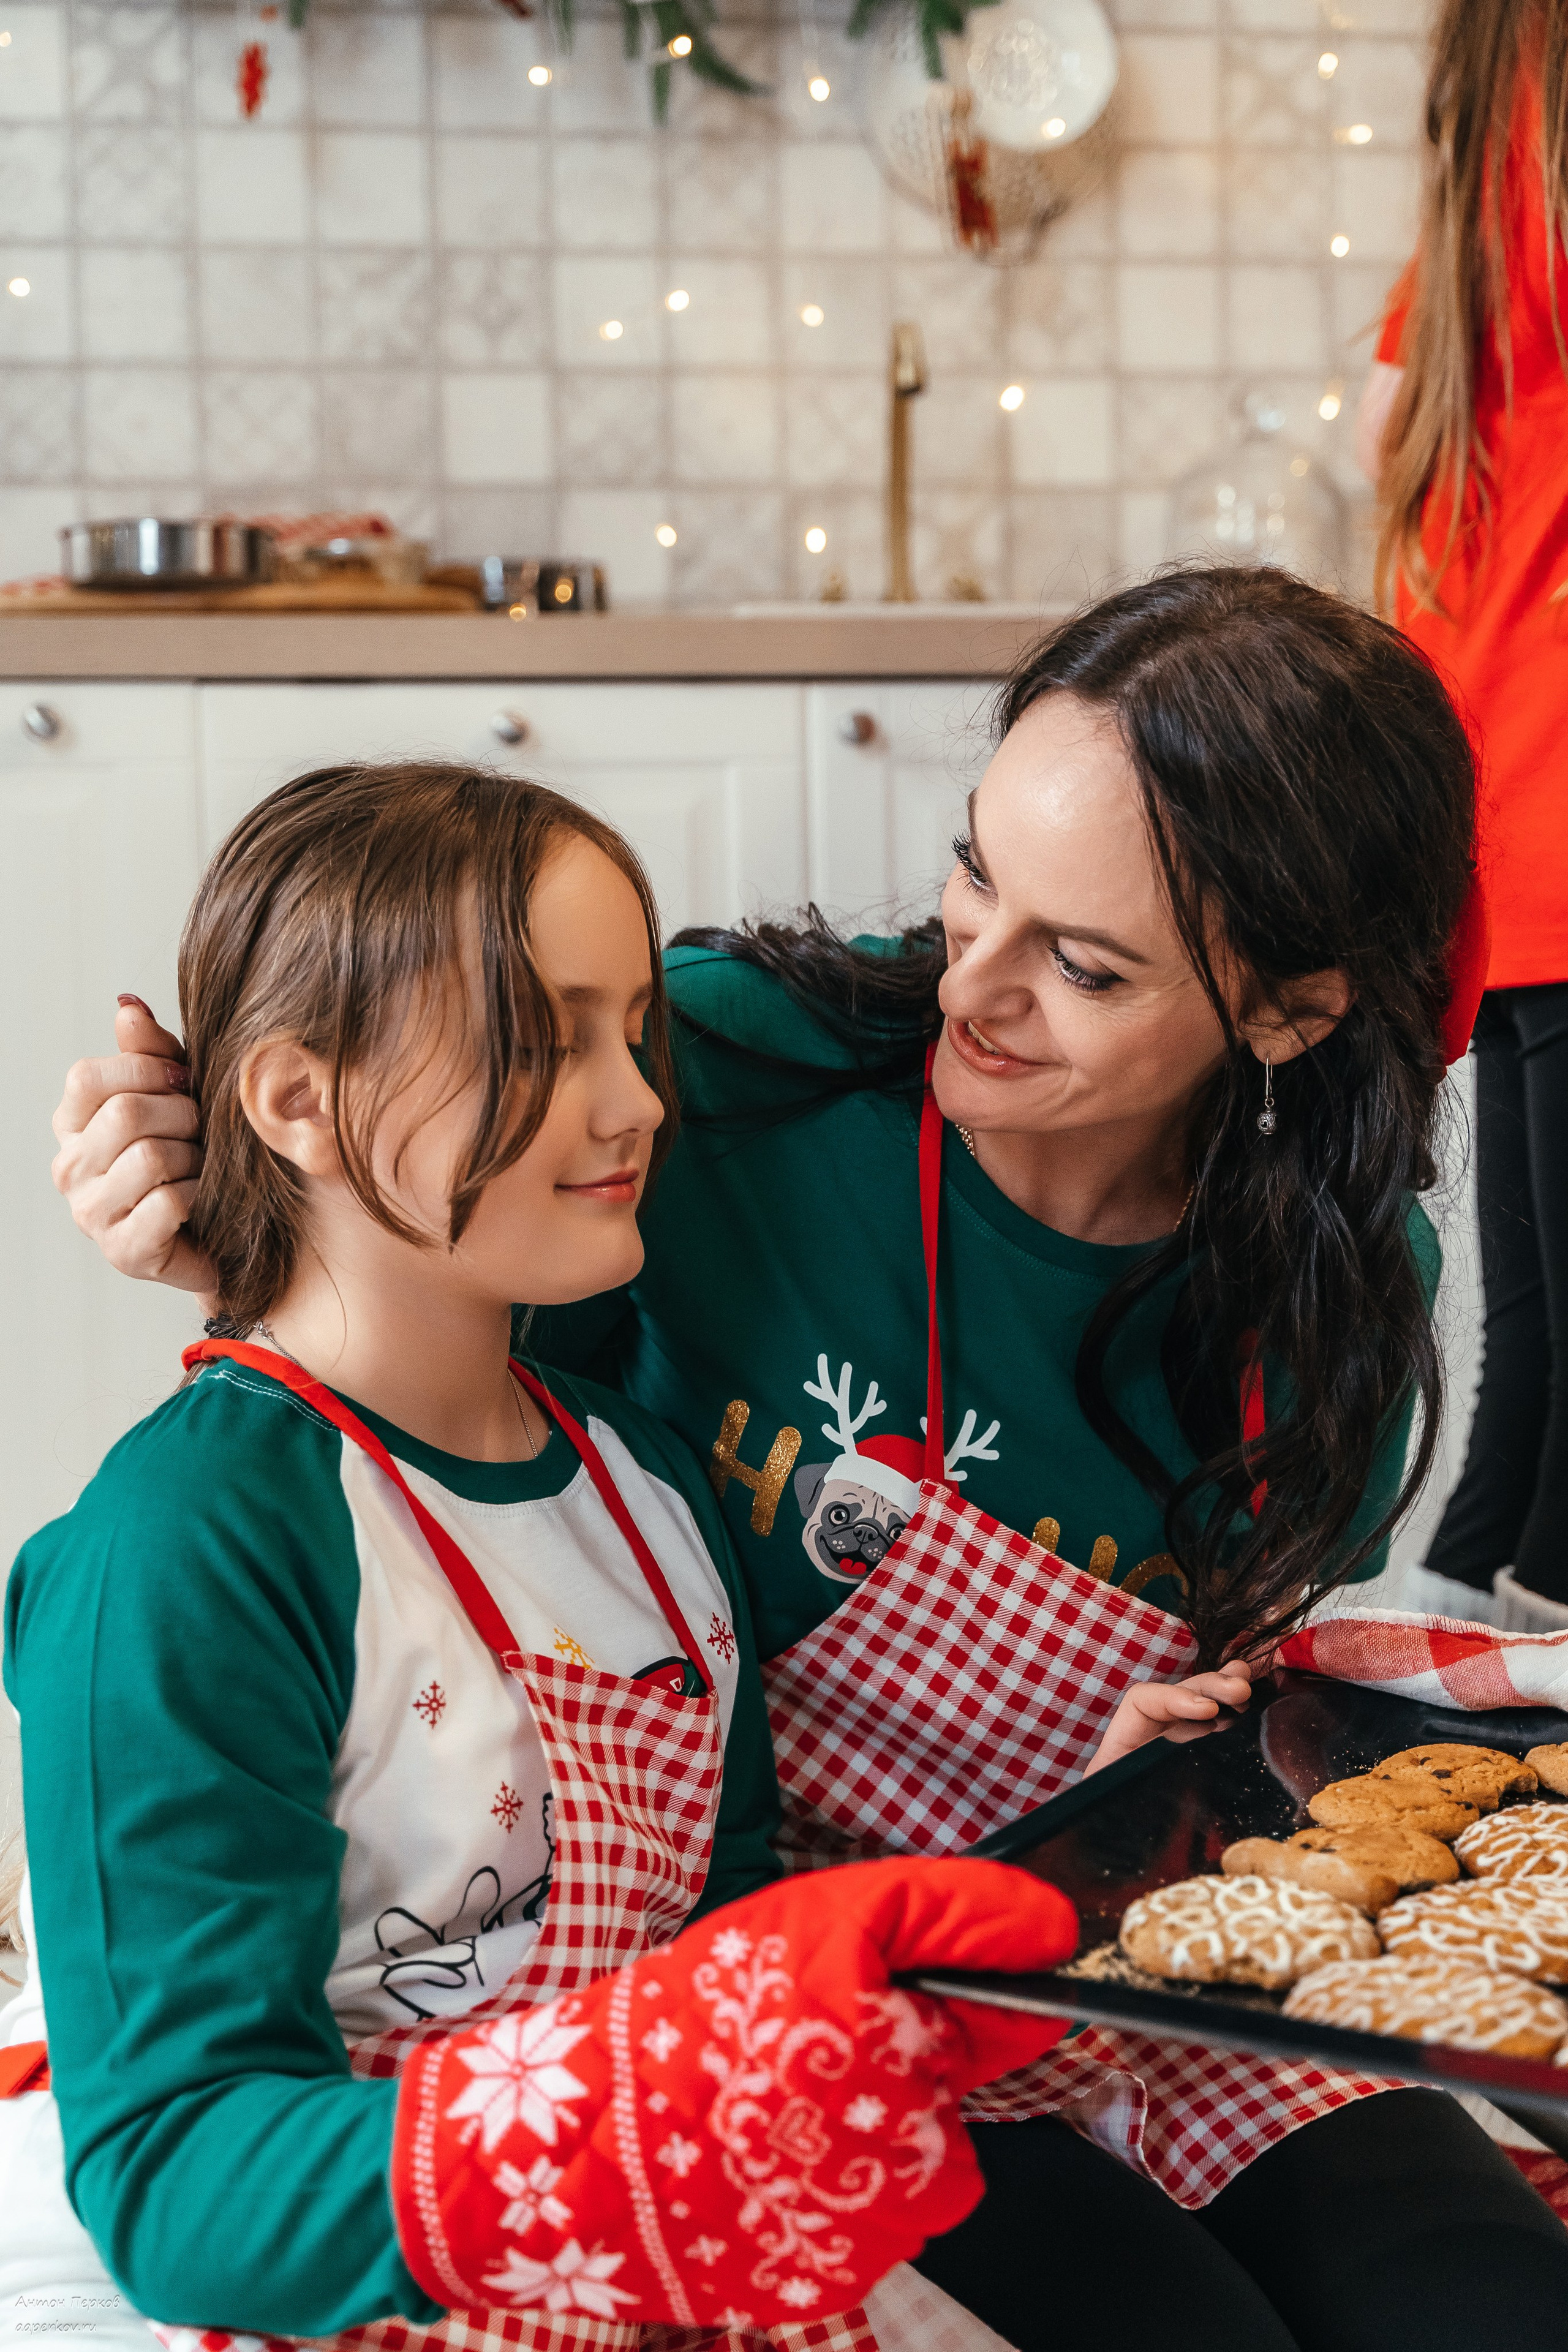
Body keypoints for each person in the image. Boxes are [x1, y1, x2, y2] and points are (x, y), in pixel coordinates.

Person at [45, 570, 1568, 2352]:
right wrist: (241, 1219)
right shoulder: (724, 1079)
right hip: (787, 1991)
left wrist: (1166, 1768)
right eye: (979, 875)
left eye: (1086, 967)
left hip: (1093, 1942)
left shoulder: (1329, 1299)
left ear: (1294, 1012)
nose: (971, 990)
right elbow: (407, 1376)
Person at [0, 762, 1085, 2349]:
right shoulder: (190, 1543)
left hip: (616, 2248)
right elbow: (182, 2188)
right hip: (303, 2281)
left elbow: (708, 1935)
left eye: (631, 1028)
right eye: (539, 1038)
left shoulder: (640, 1482)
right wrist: (660, 2084)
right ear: (296, 1102)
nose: (640, 1100)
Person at [1359, 0, 1568, 1621]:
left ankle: (1446, 1639)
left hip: (1496, 828)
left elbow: (1389, 468)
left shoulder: (1472, 245)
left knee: (1538, 1343)